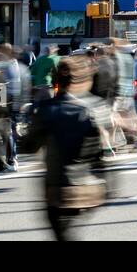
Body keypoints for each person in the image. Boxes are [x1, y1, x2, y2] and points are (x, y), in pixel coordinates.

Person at [20, 57, 107, 241]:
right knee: (68, 232)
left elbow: (29, 146)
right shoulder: (94, 107)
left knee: (61, 231)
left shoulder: (47, 109)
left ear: (56, 80)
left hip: (58, 188)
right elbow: (102, 151)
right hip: (88, 188)